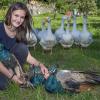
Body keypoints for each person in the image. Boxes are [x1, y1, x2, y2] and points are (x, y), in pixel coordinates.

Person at [0, 2, 49, 90]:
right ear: (10, 14)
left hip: (13, 65)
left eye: (22, 17)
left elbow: (27, 56)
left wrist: (40, 65)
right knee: (4, 85)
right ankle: (14, 77)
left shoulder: (21, 32)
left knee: (22, 48)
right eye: (16, 15)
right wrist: (12, 77)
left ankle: (18, 74)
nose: (18, 20)